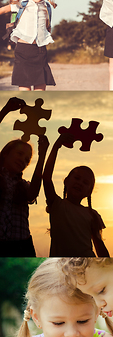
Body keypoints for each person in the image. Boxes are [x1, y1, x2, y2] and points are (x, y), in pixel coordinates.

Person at [42, 133, 108, 257]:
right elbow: (46, 178)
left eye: (85, 182)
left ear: (89, 192)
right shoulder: (57, 205)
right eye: (77, 178)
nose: (80, 183)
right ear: (66, 181)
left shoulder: (92, 214)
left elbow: (100, 246)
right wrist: (56, 146)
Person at [0, 97, 48, 257]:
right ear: (5, 154)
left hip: (21, 246)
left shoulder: (24, 186)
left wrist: (42, 156)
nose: (23, 160)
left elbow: (33, 193)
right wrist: (5, 110)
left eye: (27, 159)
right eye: (20, 154)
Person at [0, 0, 57, 90]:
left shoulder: (47, 7)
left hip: (40, 50)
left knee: (41, 84)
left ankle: (36, 107)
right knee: (24, 84)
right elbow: (4, 9)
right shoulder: (21, 5)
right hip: (23, 50)